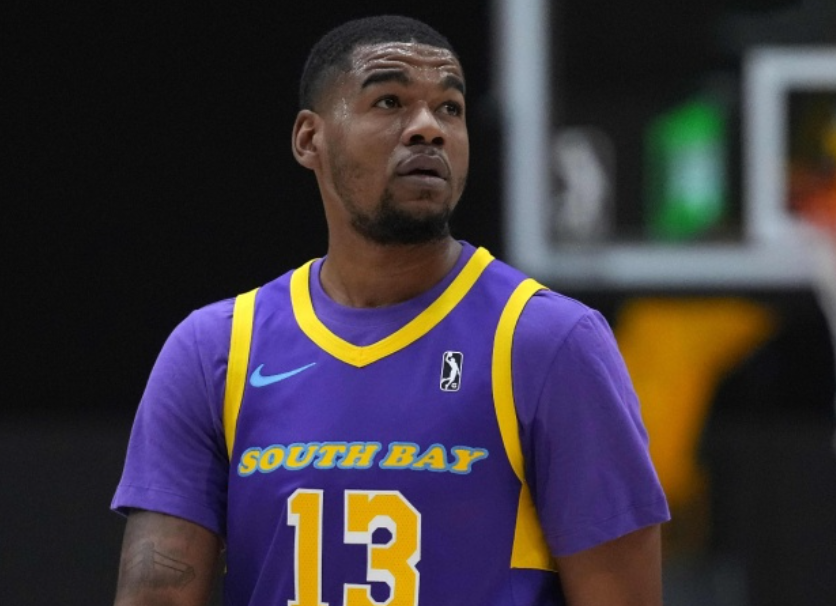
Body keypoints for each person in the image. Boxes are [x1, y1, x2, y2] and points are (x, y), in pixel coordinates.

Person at [111, 15, 670, 606]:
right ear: (309, 139)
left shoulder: (549, 342)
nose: (429, 128)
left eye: (450, 108)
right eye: (390, 102)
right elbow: (156, 596)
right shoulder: (215, 350)